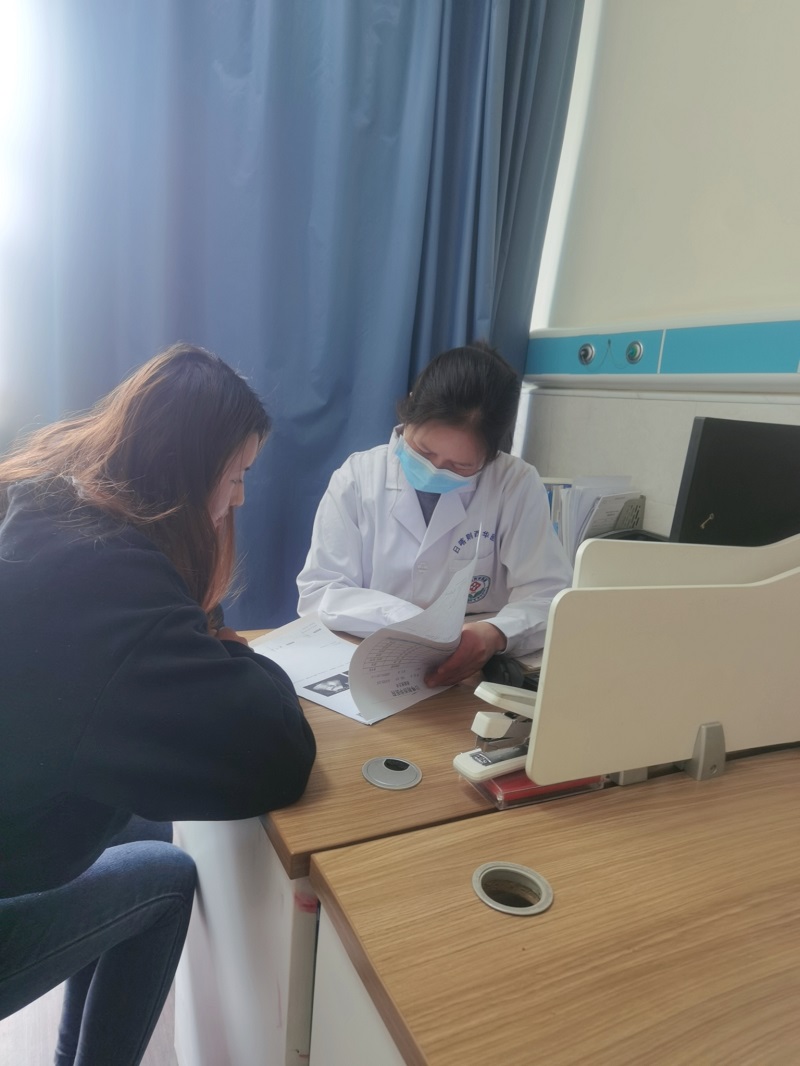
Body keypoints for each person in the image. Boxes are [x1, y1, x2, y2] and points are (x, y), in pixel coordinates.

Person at [0, 344, 316, 1066]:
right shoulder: (107, 587)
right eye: (236, 476)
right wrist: (244, 657)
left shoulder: (45, 507)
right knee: (170, 878)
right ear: (188, 470)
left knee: (143, 822)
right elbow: (277, 752)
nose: (239, 499)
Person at [297, 341, 572, 687]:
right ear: (410, 410)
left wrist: (496, 633)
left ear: (492, 455)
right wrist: (410, 620)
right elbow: (319, 592)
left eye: (460, 466)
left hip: (475, 675)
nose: (435, 470)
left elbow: (549, 595)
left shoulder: (513, 484)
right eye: (423, 451)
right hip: (372, 662)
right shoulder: (358, 477)